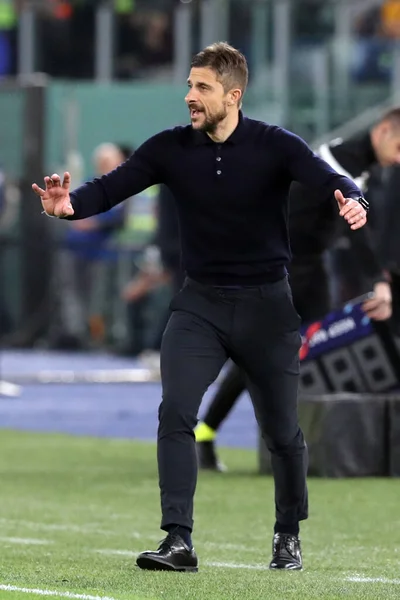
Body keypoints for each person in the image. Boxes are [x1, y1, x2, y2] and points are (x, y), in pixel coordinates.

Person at [32, 43, 367, 572]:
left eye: (202, 88)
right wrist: (68, 207)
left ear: (233, 96)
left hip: (267, 307)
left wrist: (352, 198)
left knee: (282, 430)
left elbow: (331, 179)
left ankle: (287, 534)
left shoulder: (275, 144)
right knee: (176, 411)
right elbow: (111, 187)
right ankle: (178, 539)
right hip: (200, 305)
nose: (190, 96)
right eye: (189, 85)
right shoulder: (170, 148)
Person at [196, 108, 400, 472]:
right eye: (399, 146)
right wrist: (379, 281)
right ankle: (205, 433)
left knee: (314, 350)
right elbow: (356, 230)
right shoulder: (341, 160)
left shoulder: (359, 164)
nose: (399, 158)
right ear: (383, 130)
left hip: (309, 266)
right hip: (277, 263)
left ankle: (303, 444)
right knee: (262, 355)